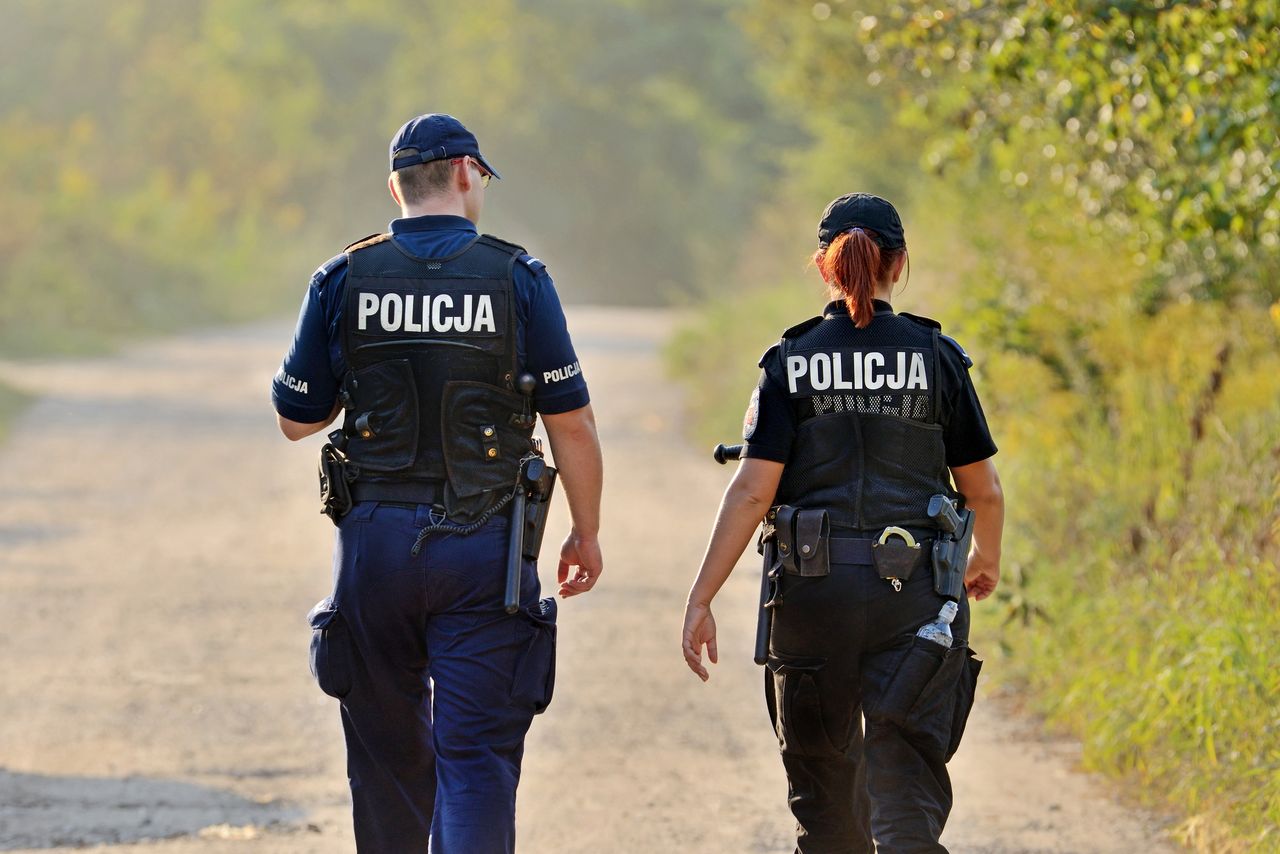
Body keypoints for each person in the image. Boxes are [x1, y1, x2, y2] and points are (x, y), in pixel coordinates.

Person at [271, 113, 604, 853]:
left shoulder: (342, 276)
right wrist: (586, 530)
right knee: (477, 758)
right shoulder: (518, 278)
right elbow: (570, 424)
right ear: (464, 173)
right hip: (485, 546)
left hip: (374, 550)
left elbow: (298, 418)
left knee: (387, 761)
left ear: (396, 186)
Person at [681, 193, 1004, 853]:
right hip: (915, 600)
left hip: (811, 598)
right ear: (900, 262)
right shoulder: (937, 358)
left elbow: (751, 493)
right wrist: (983, 560)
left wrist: (701, 596)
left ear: (825, 268)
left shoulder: (790, 360)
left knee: (826, 814)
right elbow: (983, 491)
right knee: (905, 801)